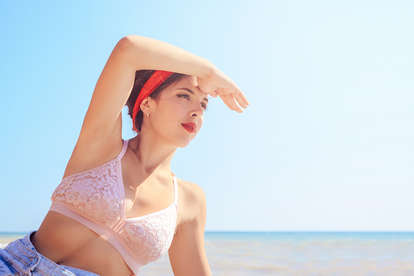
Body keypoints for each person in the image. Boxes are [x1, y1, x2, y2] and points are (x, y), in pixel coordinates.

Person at [0, 35, 250, 276]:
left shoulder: (189, 200)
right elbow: (128, 50)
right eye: (184, 96)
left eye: (204, 104)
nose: (197, 111)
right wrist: (207, 71)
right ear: (147, 104)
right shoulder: (103, 147)